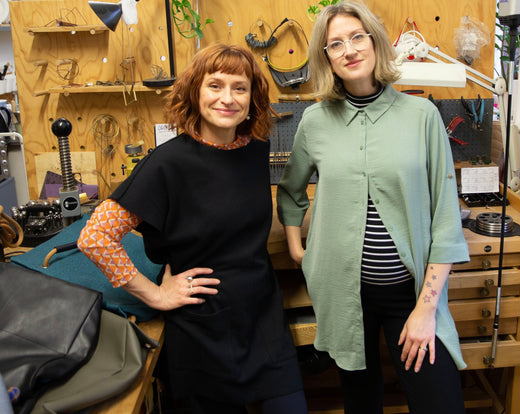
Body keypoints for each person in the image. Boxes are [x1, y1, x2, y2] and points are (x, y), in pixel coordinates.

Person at [78, 44, 308, 414]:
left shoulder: (255, 151)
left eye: (239, 87)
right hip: (202, 330)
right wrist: (154, 295)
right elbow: (95, 238)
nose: (227, 98)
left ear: (252, 98)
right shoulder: (167, 163)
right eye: (215, 85)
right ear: (195, 91)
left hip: (262, 319)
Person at [276, 1, 470, 413]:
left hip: (411, 295)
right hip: (345, 295)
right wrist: (297, 247)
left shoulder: (422, 116)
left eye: (357, 37)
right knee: (361, 403)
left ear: (375, 42)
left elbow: (445, 219)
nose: (349, 50)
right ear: (326, 57)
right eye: (335, 44)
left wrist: (426, 308)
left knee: (440, 402)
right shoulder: (313, 121)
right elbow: (290, 191)